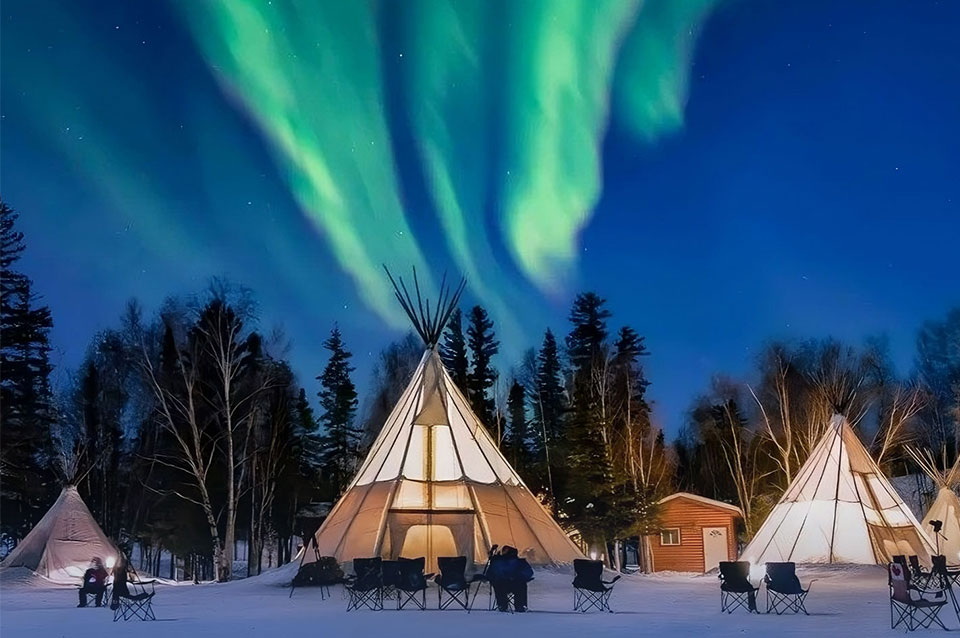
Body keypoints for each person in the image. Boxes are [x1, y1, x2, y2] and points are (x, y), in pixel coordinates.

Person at [486, 545, 534, 612]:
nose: (504, 552)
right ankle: (512, 606)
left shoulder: (519, 562)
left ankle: (515, 606)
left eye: (505, 551)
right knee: (500, 584)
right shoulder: (498, 561)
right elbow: (490, 574)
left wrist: (519, 577)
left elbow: (529, 572)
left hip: (515, 583)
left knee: (520, 585)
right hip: (503, 584)